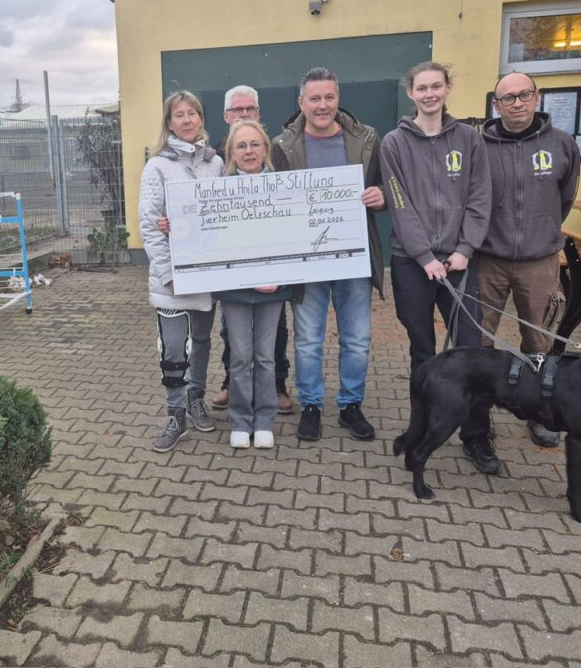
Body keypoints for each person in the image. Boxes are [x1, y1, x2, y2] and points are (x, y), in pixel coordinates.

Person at [379, 60, 497, 474]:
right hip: (413, 264)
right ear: (410, 94)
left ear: (447, 89)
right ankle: (423, 426)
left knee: (470, 350)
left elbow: (480, 198)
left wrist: (464, 250)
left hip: (460, 262)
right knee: (423, 349)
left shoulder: (469, 139)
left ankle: (477, 436)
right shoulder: (394, 143)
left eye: (436, 86)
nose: (429, 94)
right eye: (421, 88)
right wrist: (424, 257)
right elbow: (398, 202)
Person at [270, 67, 386, 442]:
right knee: (307, 340)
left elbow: (386, 186)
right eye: (315, 98)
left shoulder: (367, 139)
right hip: (308, 260)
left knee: (357, 339)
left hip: (354, 256)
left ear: (338, 99)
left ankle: (351, 404)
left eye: (329, 97)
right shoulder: (281, 145)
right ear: (301, 102)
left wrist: (380, 197)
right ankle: (313, 406)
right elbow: (270, 201)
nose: (323, 105)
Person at [476, 71, 581, 448]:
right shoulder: (480, 146)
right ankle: (479, 413)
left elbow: (565, 199)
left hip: (539, 261)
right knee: (480, 340)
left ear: (537, 98)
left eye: (524, 95)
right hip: (488, 258)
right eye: (508, 98)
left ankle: (539, 412)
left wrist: (541, 232)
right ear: (496, 104)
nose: (517, 103)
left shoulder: (562, 144)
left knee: (539, 341)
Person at [139, 91, 224, 452]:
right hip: (171, 276)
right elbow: (148, 223)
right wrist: (166, 271)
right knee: (174, 346)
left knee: (202, 341)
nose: (187, 120)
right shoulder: (156, 166)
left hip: (205, 273)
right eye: (179, 115)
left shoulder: (216, 163)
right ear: (168, 122)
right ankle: (175, 414)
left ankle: (196, 398)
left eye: (193, 113)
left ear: (202, 119)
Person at [209, 85, 294, 415]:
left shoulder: (278, 162)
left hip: (273, 279)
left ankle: (276, 387)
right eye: (237, 110)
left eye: (249, 110)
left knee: (273, 338)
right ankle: (233, 387)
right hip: (235, 280)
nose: (243, 115)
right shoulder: (215, 164)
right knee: (236, 337)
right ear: (226, 116)